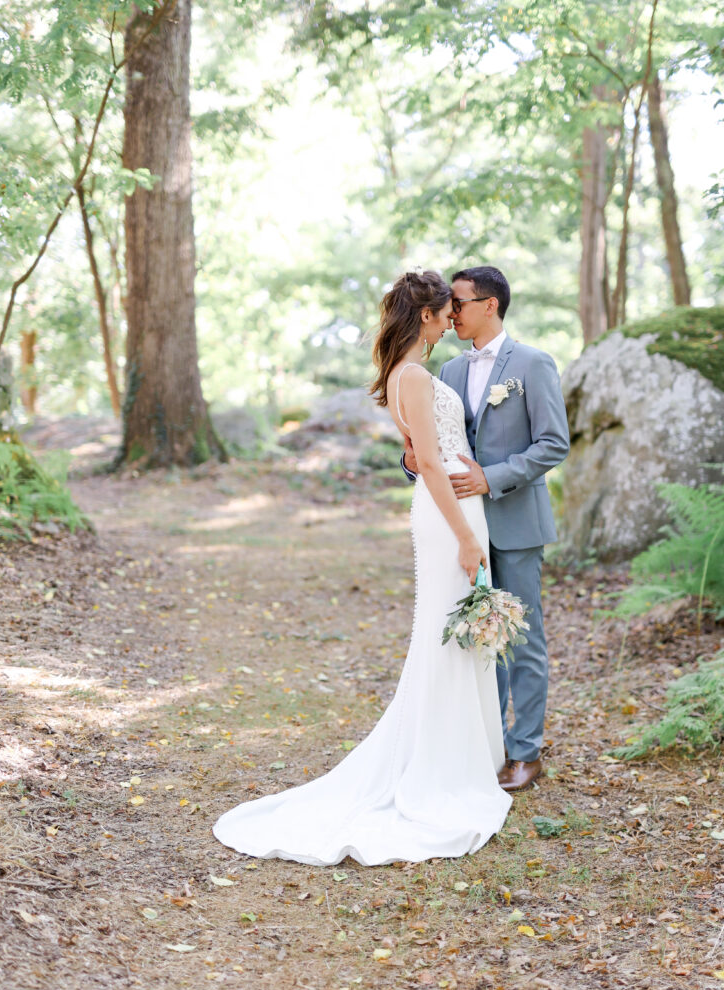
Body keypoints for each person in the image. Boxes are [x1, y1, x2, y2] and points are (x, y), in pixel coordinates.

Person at [213, 271, 511, 865]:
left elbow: (424, 451)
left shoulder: (402, 376)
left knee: (448, 631)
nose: (454, 316)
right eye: (446, 309)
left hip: (454, 505)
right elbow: (427, 460)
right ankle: (440, 767)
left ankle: (462, 756)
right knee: (445, 634)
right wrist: (465, 539)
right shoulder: (417, 377)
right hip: (449, 514)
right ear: (425, 318)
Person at [404, 266, 569, 792]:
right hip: (463, 530)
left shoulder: (534, 364)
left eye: (460, 302)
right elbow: (436, 445)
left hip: (516, 523)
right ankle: (487, 746)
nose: (452, 312)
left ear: (490, 304)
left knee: (522, 640)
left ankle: (526, 752)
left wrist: (490, 478)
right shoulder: (448, 371)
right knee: (479, 642)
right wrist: (413, 463)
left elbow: (553, 443)